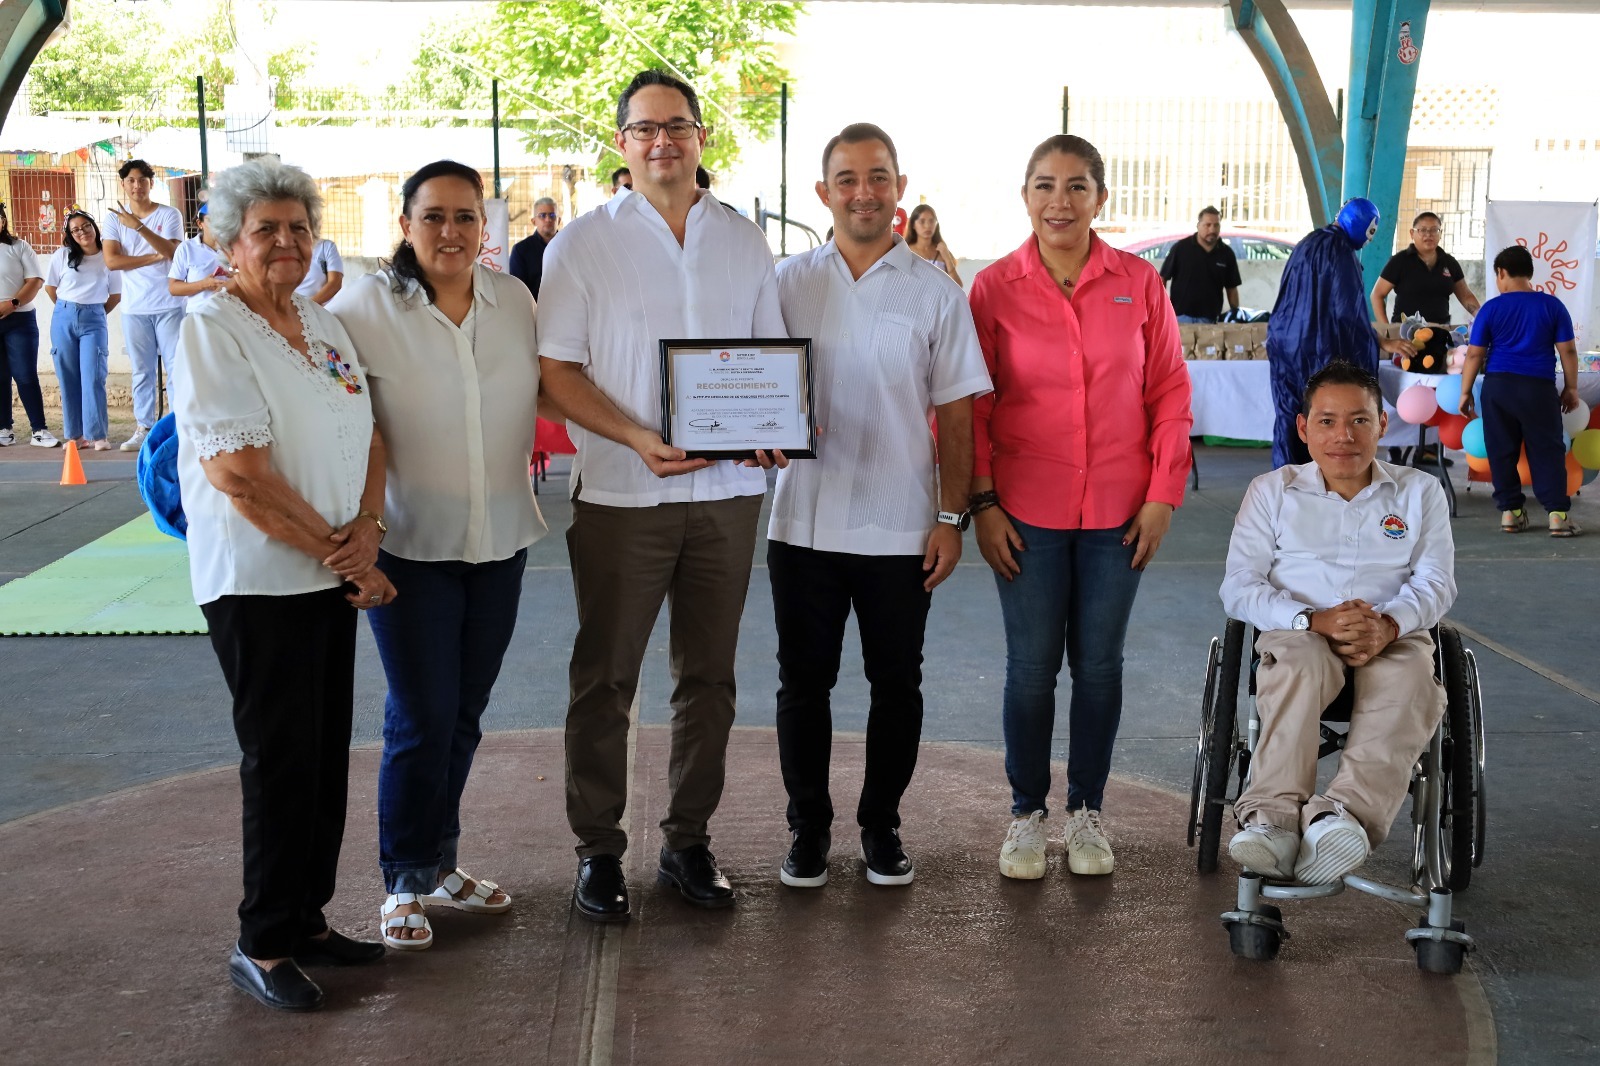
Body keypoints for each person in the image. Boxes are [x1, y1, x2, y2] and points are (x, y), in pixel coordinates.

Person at [538, 69, 786, 921]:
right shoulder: (581, 243)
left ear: (700, 136)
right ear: (621, 143)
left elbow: (767, 365)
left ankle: (687, 840)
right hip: (618, 494)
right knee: (605, 677)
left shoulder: (743, 241)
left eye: (677, 126)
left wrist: (772, 425)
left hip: (727, 494)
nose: (661, 142)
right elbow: (556, 374)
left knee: (708, 678)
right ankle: (599, 852)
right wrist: (639, 437)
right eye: (644, 129)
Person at [168, 159, 392, 1012]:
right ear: (227, 242)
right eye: (266, 230)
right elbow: (240, 477)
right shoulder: (212, 327)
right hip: (259, 578)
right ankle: (261, 943)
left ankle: (306, 919)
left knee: (324, 752)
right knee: (279, 760)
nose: (287, 243)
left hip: (329, 569)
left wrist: (367, 528)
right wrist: (352, 558)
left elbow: (370, 436)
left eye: (299, 227)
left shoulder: (322, 323)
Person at [330, 160, 546, 951]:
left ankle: (438, 860)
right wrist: (357, 528)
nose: (450, 232)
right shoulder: (361, 308)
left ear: (486, 225)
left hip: (500, 542)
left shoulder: (516, 301)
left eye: (465, 217)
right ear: (405, 221)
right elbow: (340, 419)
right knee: (420, 717)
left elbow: (553, 388)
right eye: (434, 217)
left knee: (463, 715)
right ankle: (402, 879)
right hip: (409, 549)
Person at [769, 123, 991, 890]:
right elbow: (750, 386)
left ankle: (880, 826)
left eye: (879, 177)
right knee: (804, 683)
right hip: (803, 520)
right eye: (848, 178)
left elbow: (958, 414)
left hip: (903, 527)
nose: (864, 191)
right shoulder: (785, 282)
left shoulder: (936, 292)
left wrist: (951, 516)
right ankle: (808, 830)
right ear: (823, 192)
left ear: (900, 190)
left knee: (897, 685)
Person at [968, 134, 1193, 881]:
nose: (1058, 201)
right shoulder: (994, 288)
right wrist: (984, 505)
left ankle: (1087, 812)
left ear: (1102, 198)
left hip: (1119, 515)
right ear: (1024, 195)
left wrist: (1163, 494)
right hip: (1024, 511)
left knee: (1099, 667)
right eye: (1043, 186)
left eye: (1075, 187)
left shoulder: (1139, 283)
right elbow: (973, 407)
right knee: (1031, 669)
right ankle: (1026, 814)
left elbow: (1168, 394)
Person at [1221, 361, 1455, 884]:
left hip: (1391, 633)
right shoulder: (1272, 491)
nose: (1343, 436)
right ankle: (1273, 821)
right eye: (1326, 422)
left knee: (1409, 676)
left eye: (1359, 421)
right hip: (1301, 632)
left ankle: (1341, 818)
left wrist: (1388, 626)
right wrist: (1312, 618)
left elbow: (1437, 582)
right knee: (1298, 661)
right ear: (1303, 428)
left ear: (1383, 424)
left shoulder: (1419, 492)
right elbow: (1239, 585)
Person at [1265, 198, 1415, 469]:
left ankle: (1285, 483)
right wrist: (1380, 342)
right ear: (1359, 224)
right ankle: (1320, 485)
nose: (1370, 239)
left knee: (1291, 416)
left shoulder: (1308, 243)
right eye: (1371, 230)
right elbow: (1348, 313)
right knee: (1322, 415)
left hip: (1285, 343)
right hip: (1316, 347)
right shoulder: (1341, 252)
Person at [1459, 244, 1582, 537]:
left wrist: (1465, 392)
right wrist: (1572, 387)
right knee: (1547, 451)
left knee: (1501, 450)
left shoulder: (1491, 308)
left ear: (1501, 273)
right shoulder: (1552, 306)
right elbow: (1568, 350)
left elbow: (1474, 355)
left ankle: (1511, 514)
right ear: (1528, 273)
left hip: (1498, 387)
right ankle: (1556, 516)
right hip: (1537, 388)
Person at [102, 158, 182, 453]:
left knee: (176, 368)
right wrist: (151, 256)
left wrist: (138, 227)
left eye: (142, 180)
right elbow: (112, 261)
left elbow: (173, 252)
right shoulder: (113, 219)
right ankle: (144, 428)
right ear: (123, 184)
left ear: (151, 182)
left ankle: (177, 426)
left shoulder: (169, 214)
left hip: (170, 304)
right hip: (134, 308)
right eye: (131, 180)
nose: (137, 185)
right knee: (142, 371)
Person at [44, 211, 121, 451]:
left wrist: (93, 314)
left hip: (94, 318)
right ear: (70, 234)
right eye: (75, 229)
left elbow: (115, 296)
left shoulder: (108, 258)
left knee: (93, 376)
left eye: (86, 226)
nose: (82, 232)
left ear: (94, 227)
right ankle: (75, 436)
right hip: (63, 317)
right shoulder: (62, 256)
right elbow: (50, 288)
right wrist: (68, 311)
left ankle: (97, 435)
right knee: (67, 377)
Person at [0, 202, 58, 447]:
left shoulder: (19, 247)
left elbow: (34, 280)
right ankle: (4, 429)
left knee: (24, 374)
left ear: (3, 220)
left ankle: (39, 430)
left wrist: (12, 303)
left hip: (19, 319)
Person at [1370, 212, 1481, 325]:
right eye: (1422, 230)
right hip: (1404, 335)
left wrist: (1484, 319)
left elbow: (1466, 296)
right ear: (1412, 233)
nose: (1428, 235)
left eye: (1434, 230)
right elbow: (1377, 295)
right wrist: (1387, 330)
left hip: (1441, 333)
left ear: (1440, 233)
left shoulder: (1449, 263)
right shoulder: (1399, 261)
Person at [1160, 206, 1240, 324]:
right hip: (1180, 317)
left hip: (1210, 319)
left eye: (1216, 225)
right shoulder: (1181, 248)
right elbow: (1162, 278)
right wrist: (1161, 308)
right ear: (1198, 225)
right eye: (1207, 225)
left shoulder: (1226, 254)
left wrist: (1235, 314)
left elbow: (1232, 288)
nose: (1212, 229)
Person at [167, 202, 232, 313]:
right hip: (199, 315)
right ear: (199, 223)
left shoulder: (235, 246)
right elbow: (173, 288)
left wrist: (237, 277)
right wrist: (203, 284)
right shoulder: (187, 248)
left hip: (232, 315)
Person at [507, 196, 558, 299]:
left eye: (552, 215)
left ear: (559, 220)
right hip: (533, 310)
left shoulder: (569, 247)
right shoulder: (521, 250)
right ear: (533, 221)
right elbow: (518, 290)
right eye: (542, 215)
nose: (548, 219)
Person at [905, 203, 963, 286]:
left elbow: (958, 286)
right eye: (922, 221)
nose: (927, 226)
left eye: (931, 221)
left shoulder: (942, 251)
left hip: (941, 298)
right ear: (913, 225)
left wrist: (947, 258)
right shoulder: (906, 250)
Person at [296, 236, 344, 305]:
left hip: (321, 308)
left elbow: (335, 283)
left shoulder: (326, 246)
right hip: (290, 309)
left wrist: (307, 305)